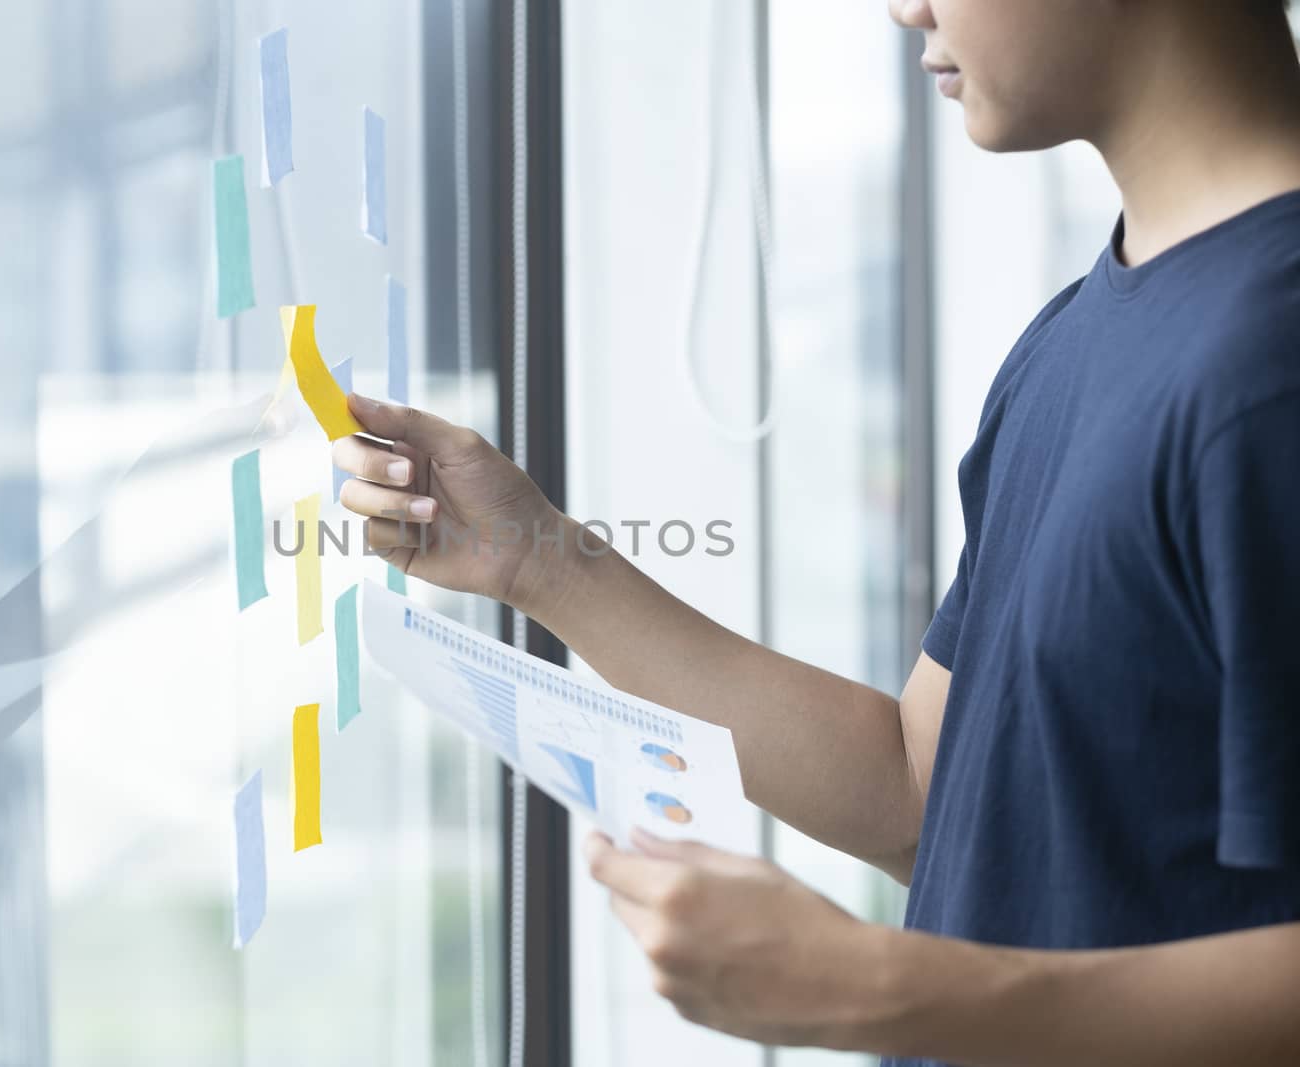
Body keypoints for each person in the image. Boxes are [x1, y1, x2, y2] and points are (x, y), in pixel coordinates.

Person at [332, 0, 1300, 1061]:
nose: (903, 7)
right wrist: (538, 560)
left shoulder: (1269, 370)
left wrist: (880, 987)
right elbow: (918, 790)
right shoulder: (1082, 331)